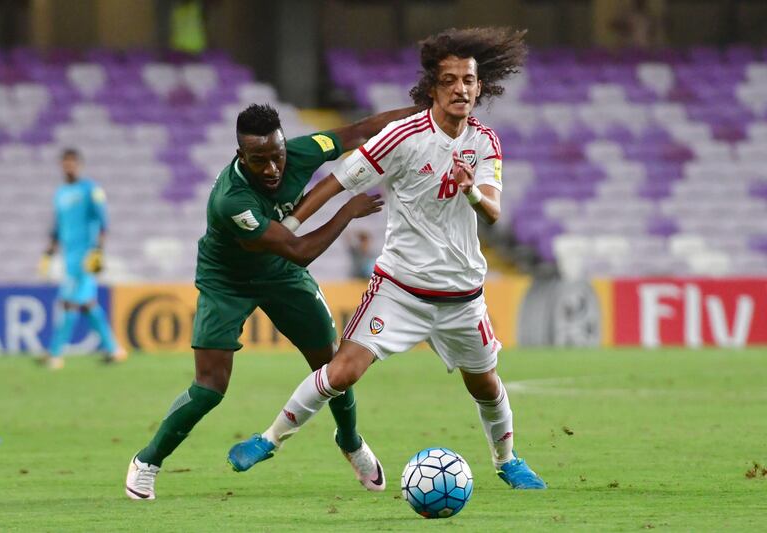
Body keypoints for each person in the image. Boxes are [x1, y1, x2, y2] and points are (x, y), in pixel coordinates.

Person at [229, 27, 547, 490]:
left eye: (469, 80)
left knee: (486, 386)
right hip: (400, 289)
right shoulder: (402, 137)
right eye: (451, 80)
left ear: (480, 87)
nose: (461, 89)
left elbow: (494, 211)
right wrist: (291, 227)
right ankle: (269, 439)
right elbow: (336, 181)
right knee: (341, 372)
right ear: (433, 88)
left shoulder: (485, 143)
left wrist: (471, 190)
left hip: (462, 296)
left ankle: (507, 460)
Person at [125, 103, 419, 500]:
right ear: (239, 156)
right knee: (210, 387)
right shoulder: (232, 200)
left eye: (276, 156)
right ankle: (147, 461)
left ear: (284, 146)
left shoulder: (301, 151)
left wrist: (426, 111)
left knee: (331, 365)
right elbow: (298, 250)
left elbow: (361, 130)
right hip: (228, 280)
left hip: (279, 273)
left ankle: (351, 443)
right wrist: (346, 212)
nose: (271, 169)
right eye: (258, 160)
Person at [38, 148, 127, 370]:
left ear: (79, 165)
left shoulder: (91, 190)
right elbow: (58, 226)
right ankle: (114, 350)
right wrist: (49, 251)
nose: (68, 167)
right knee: (87, 304)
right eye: (65, 163)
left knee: (68, 302)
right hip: (69, 256)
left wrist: (98, 251)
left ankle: (55, 354)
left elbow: (103, 221)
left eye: (72, 163)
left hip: (86, 256)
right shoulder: (59, 193)